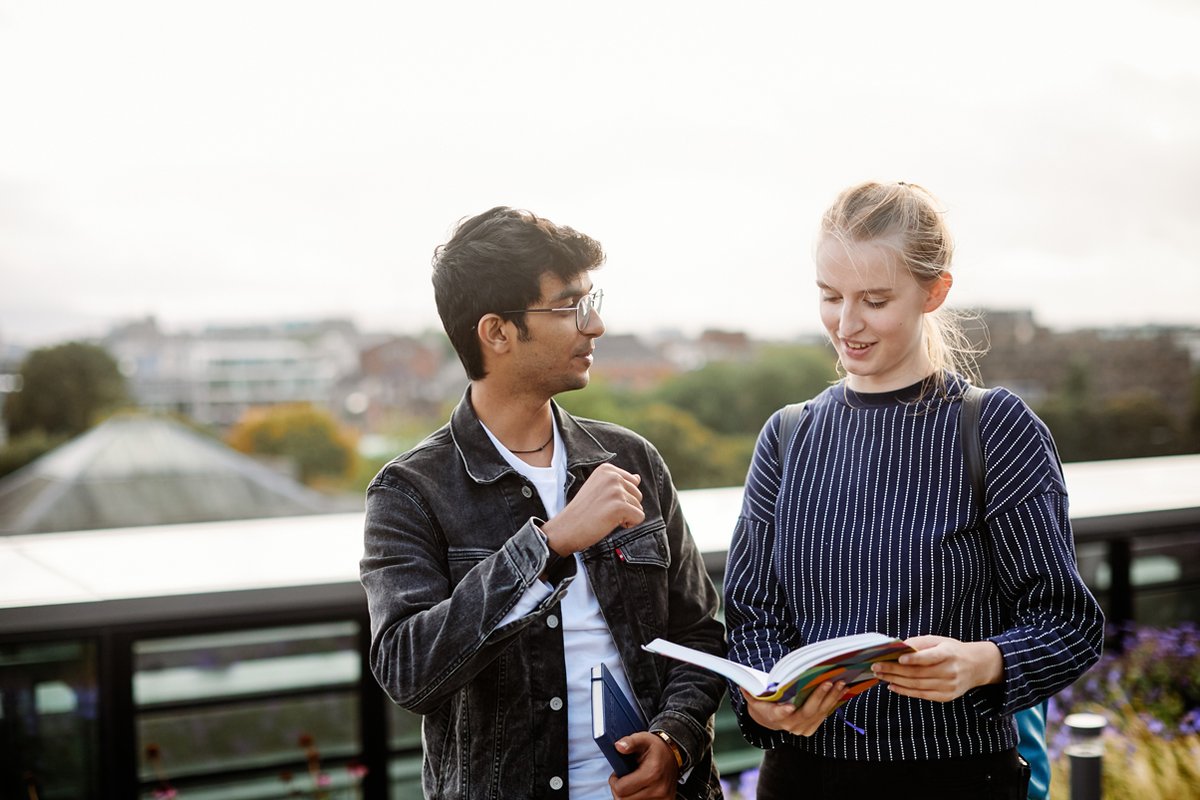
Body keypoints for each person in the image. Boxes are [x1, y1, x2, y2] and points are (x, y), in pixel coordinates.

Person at [723, 181, 1105, 799]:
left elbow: (1069, 622)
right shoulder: (788, 435)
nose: (846, 324)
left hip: (953, 778)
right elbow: (749, 616)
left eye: (875, 300)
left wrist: (982, 661)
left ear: (934, 292)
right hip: (801, 779)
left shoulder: (995, 427)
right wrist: (766, 704)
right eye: (829, 296)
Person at [360, 207, 727, 800]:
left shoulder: (630, 458)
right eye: (569, 307)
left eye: (592, 300)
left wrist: (675, 740)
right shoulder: (410, 492)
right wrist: (549, 544)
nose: (596, 325)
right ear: (497, 332)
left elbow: (699, 635)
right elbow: (409, 672)